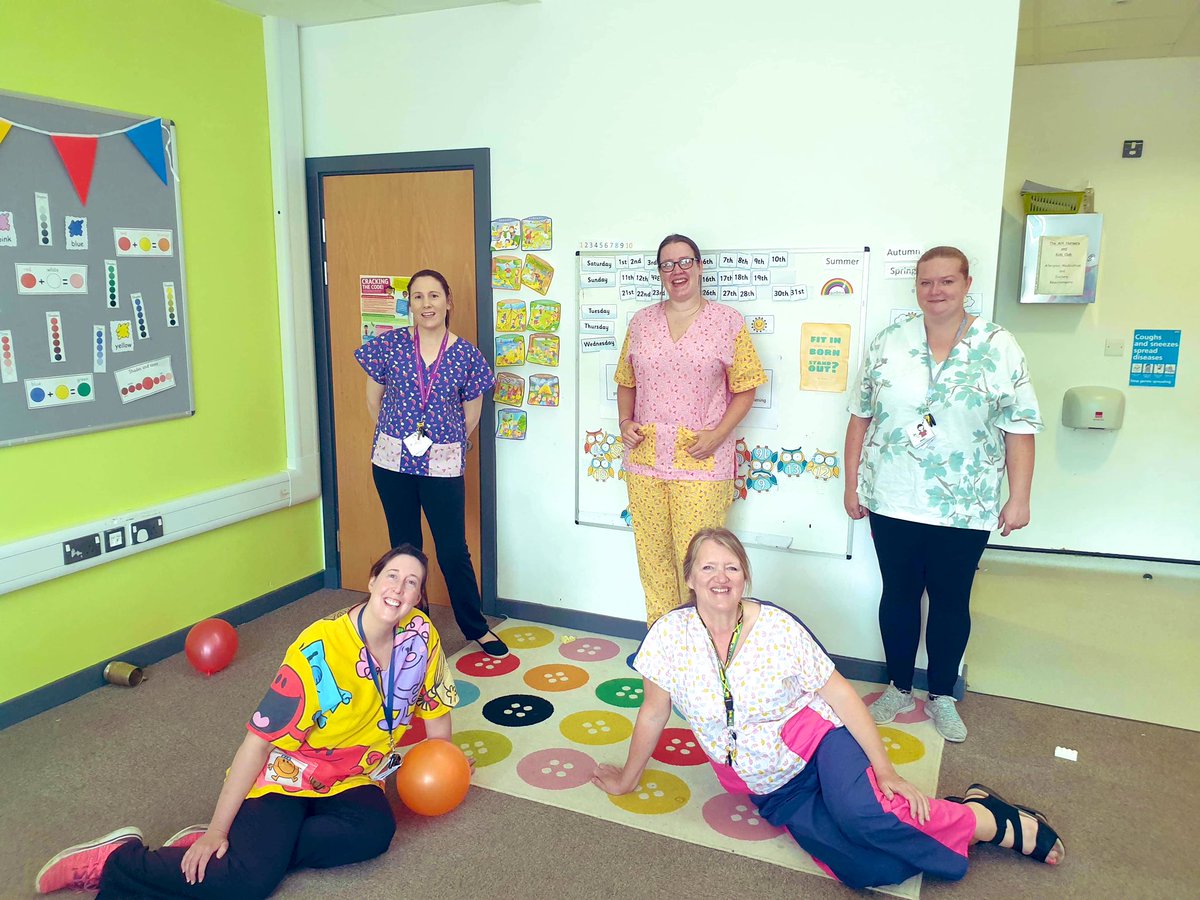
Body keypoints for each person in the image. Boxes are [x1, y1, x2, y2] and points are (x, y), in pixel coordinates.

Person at [592, 528, 1064, 890]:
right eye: (709, 568)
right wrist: (628, 779)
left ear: (745, 577)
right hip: (770, 785)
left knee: (866, 817)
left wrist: (887, 770)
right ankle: (967, 808)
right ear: (690, 577)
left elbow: (839, 696)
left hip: (819, 743)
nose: (720, 578)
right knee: (866, 868)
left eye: (732, 568)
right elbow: (653, 713)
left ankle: (991, 822)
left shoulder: (777, 627)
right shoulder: (668, 637)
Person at [35, 545, 462, 897]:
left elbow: (436, 705)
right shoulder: (318, 647)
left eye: (412, 583)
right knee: (247, 882)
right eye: (392, 575)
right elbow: (256, 743)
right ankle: (121, 862)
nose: (399, 588)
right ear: (371, 581)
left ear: (418, 597)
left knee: (375, 834)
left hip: (355, 775)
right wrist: (217, 830)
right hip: (288, 774)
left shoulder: (420, 636)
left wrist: (445, 765)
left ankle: (248, 848)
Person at [843, 246, 1043, 742]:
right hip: (892, 496)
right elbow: (859, 416)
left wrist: (1019, 497)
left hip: (966, 502)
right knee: (900, 595)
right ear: (916, 286)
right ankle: (898, 686)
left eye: (947, 281)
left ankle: (942, 695)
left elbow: (1019, 426)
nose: (936, 291)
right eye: (926, 282)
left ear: (966, 283)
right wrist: (852, 484)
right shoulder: (890, 341)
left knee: (952, 599)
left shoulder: (998, 345)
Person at [615, 234, 767, 625]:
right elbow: (626, 381)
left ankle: (702, 648)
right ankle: (662, 643)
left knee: (702, 562)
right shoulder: (642, 322)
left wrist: (718, 435)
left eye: (685, 262)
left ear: (700, 267)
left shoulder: (726, 322)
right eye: (667, 264)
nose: (677, 271)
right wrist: (625, 422)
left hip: (703, 462)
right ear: (660, 273)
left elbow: (746, 387)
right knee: (653, 556)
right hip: (646, 461)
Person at [356, 268, 507, 657]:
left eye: (434, 296)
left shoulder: (466, 355)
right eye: (419, 297)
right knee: (404, 547)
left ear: (448, 302)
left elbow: (471, 415)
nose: (427, 304)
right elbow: (373, 401)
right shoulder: (389, 345)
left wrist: (443, 441)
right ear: (410, 305)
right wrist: (399, 435)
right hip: (392, 462)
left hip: (442, 464)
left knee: (453, 549)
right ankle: (409, 620)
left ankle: (475, 627)